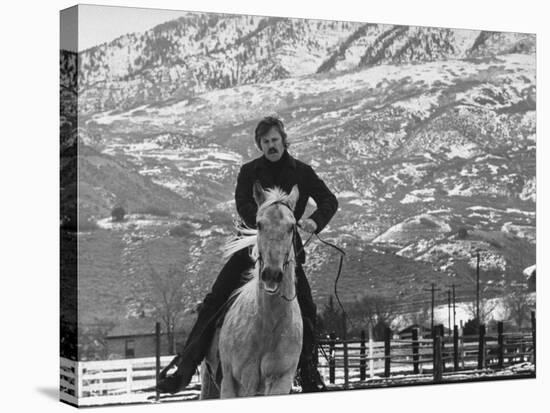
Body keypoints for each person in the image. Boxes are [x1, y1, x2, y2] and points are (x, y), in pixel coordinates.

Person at [157, 116, 338, 394]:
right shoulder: (249, 171)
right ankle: (185, 368)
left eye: (275, 140)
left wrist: (315, 221)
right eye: (265, 141)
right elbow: (243, 203)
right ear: (259, 144)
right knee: (214, 300)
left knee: (307, 309)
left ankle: (309, 373)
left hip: (286, 252)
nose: (271, 145)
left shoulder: (302, 172)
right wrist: (261, 221)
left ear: (283, 140)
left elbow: (329, 200)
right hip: (250, 245)